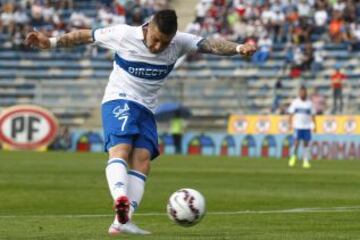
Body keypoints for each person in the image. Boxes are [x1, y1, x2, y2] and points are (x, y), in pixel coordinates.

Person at [24, 9, 256, 235]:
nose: (158, 46)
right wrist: (52, 42)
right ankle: (121, 199)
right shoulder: (124, 34)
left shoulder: (179, 42)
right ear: (148, 27)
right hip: (119, 99)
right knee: (121, 150)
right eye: (155, 40)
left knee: (143, 161)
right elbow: (85, 35)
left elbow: (210, 44)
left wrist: (238, 48)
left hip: (146, 108)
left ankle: (121, 223)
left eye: (164, 43)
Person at [288, 86, 316, 169]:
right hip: (298, 125)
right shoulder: (295, 102)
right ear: (299, 93)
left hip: (307, 126)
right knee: (296, 142)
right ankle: (293, 157)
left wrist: (314, 125)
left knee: (306, 144)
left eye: (304, 92)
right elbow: (291, 113)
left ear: (306, 93)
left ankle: (305, 161)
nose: (302, 93)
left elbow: (313, 115)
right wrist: (290, 124)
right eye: (301, 92)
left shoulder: (309, 103)